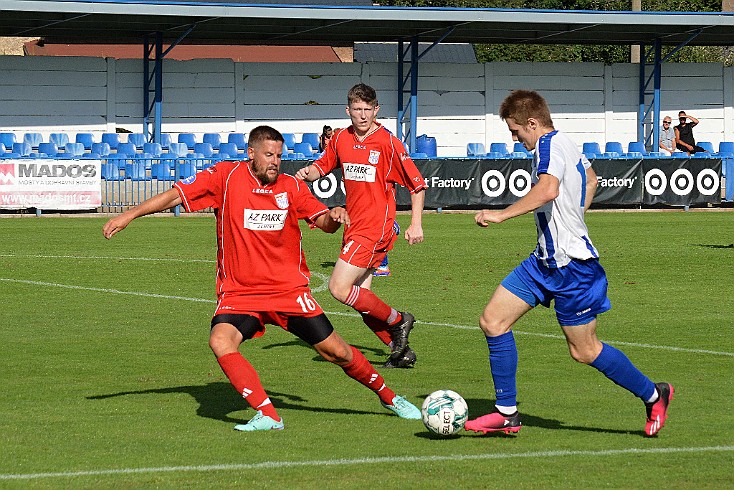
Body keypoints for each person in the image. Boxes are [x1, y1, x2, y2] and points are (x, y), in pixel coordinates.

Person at [102, 125, 421, 431]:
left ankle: (390, 397)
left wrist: (334, 216)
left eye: (279, 156)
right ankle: (268, 414)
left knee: (336, 352)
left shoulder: (291, 186)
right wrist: (129, 214)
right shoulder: (225, 177)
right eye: (269, 155)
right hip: (240, 293)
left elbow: (321, 220)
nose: (275, 162)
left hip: (287, 291)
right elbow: (175, 195)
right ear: (251, 153)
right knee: (220, 340)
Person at [465, 90, 673, 437]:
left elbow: (547, 190)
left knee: (584, 350)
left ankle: (655, 394)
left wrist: (502, 215)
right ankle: (506, 412)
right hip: (543, 262)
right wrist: (574, 218)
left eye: (516, 131)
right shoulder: (568, 143)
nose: (515, 139)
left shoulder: (548, 146)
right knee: (493, 321)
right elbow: (591, 180)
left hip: (573, 269)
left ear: (533, 123)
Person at [296, 83, 427, 369]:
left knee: (339, 288)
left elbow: (417, 185)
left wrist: (415, 224)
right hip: (353, 227)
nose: (363, 115)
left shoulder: (388, 142)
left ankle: (398, 320)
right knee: (361, 299)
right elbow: (323, 165)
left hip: (376, 227)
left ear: (376, 109)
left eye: (368, 109)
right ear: (348, 110)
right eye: (357, 109)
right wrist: (309, 173)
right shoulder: (341, 138)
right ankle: (399, 349)